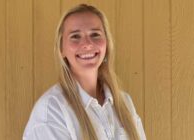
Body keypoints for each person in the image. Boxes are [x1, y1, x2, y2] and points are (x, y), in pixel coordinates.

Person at [23, 4, 146, 140]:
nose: (87, 43)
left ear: (107, 44)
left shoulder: (124, 103)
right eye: (75, 36)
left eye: (95, 34)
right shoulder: (51, 109)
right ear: (61, 49)